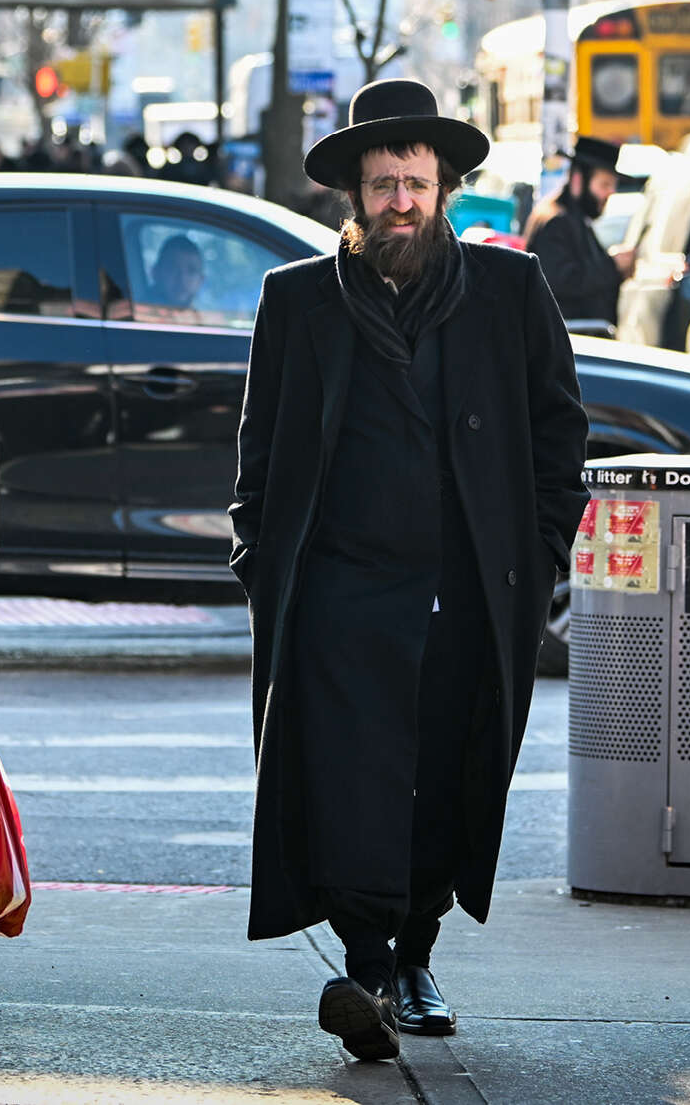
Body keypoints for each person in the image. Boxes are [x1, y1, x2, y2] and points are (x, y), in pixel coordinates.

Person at [232, 78, 588, 1061]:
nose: (400, 201)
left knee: (446, 780)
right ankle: (368, 965)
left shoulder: (509, 292)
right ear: (354, 193)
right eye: (384, 183)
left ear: (445, 191)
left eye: (417, 184)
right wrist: (260, 563)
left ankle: (413, 952)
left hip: (468, 595)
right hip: (341, 596)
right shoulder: (297, 300)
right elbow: (258, 458)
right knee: (350, 782)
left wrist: (537, 552)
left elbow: (562, 438)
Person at [522, 135, 636, 325]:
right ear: (577, 179)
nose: (610, 192)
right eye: (604, 184)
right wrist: (613, 265)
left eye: (613, 185)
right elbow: (562, 282)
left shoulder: (572, 218)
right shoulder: (556, 221)